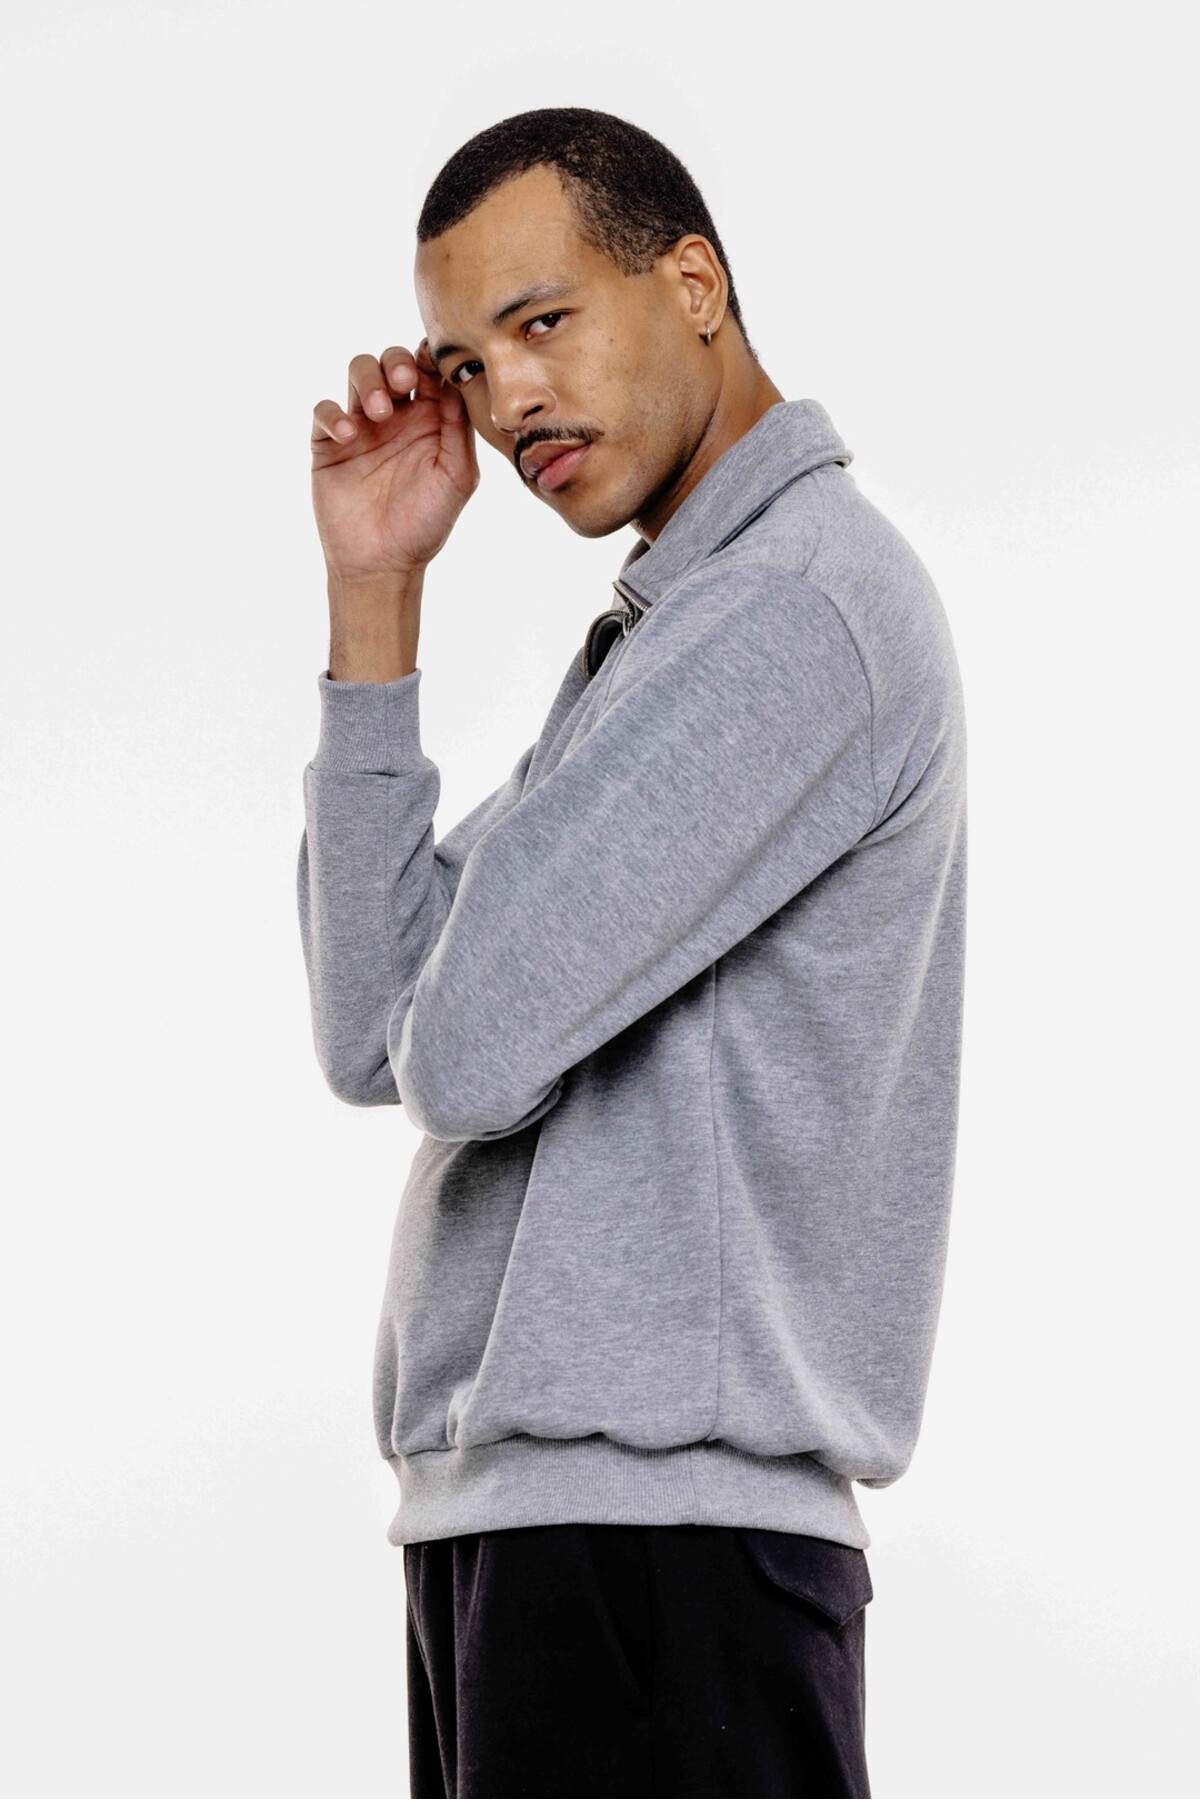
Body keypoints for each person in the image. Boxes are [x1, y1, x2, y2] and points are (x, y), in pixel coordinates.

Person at [297, 106, 967, 1800]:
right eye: (467, 363)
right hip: (548, 1533)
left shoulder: (792, 607)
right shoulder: (679, 625)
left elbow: (459, 1050)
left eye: (544, 323)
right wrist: (376, 597)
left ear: (693, 286)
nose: (508, 399)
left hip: (661, 1560)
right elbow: (374, 1026)